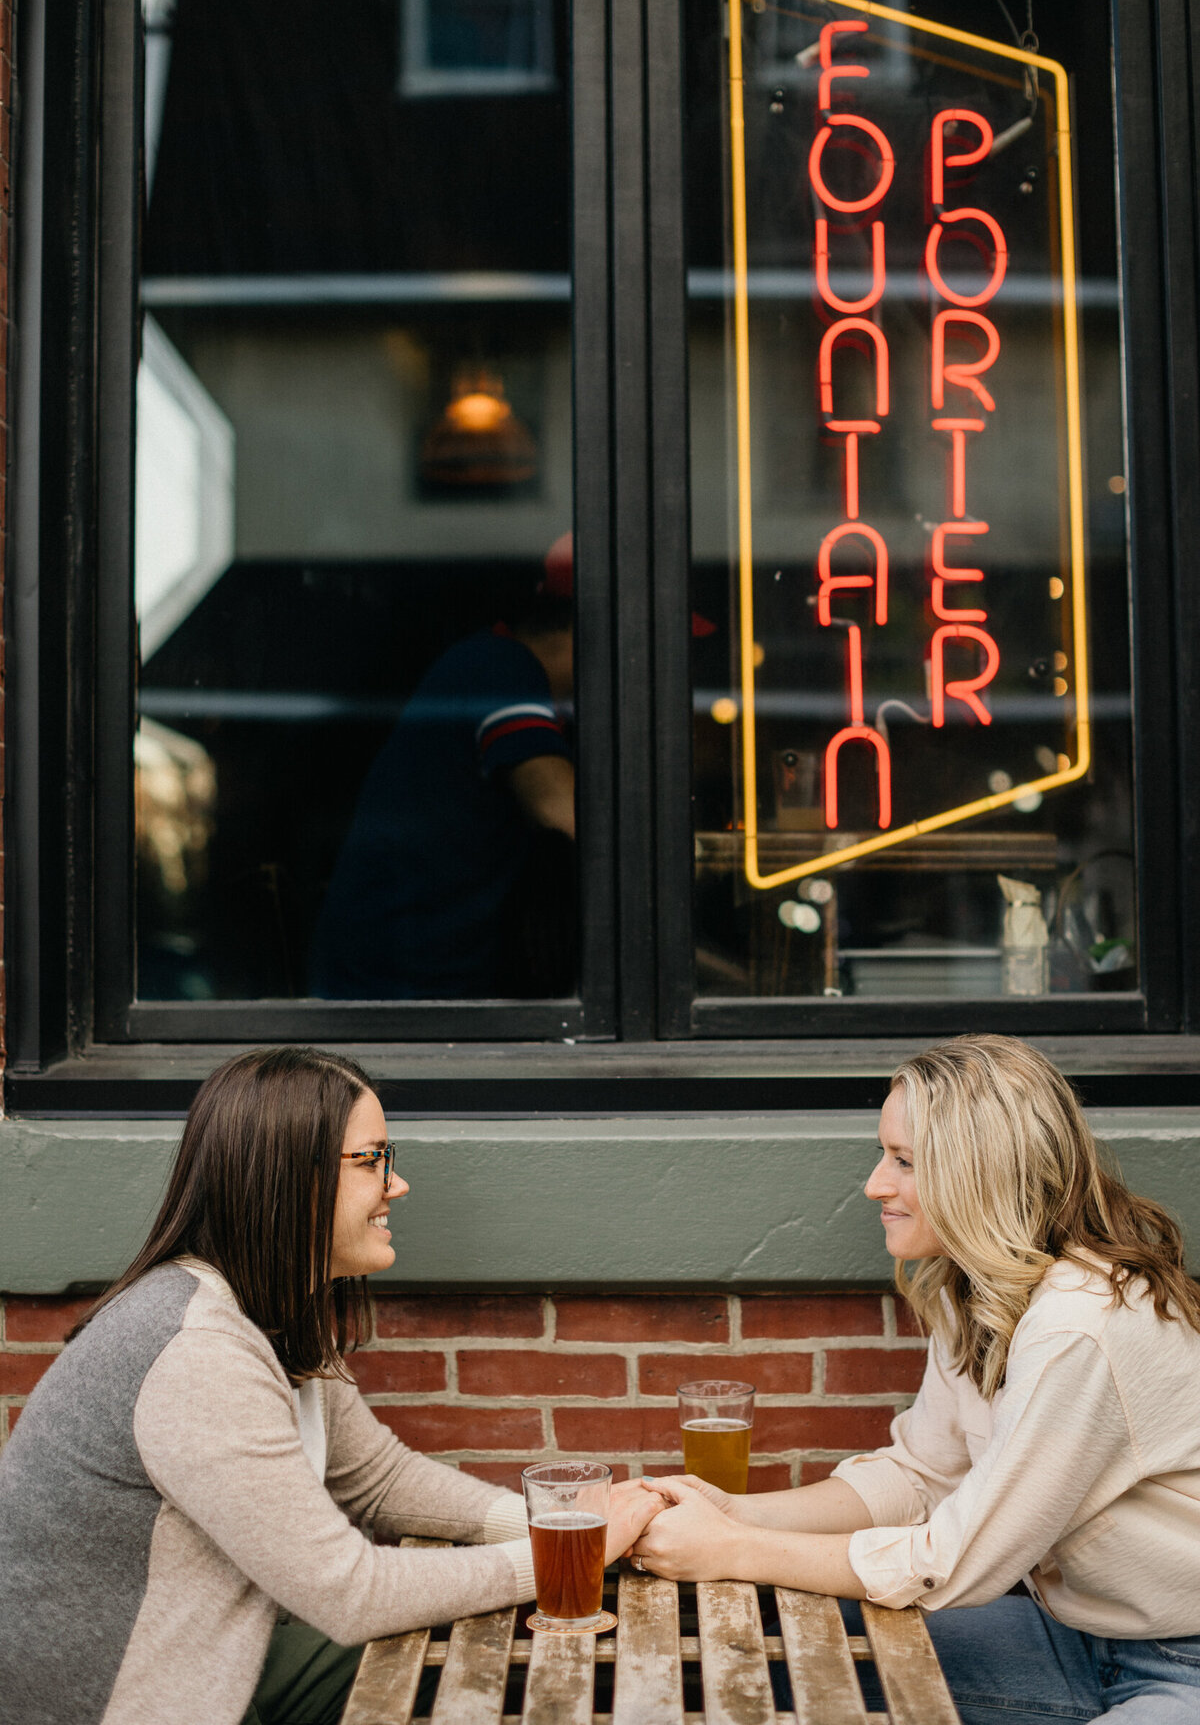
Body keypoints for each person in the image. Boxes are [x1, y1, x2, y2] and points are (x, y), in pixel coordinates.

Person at [0, 1047, 662, 1725]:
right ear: (291, 1179)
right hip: (138, 1697)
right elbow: (351, 1592)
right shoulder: (197, 1351)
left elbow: (376, 1479)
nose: (396, 1184)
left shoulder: (268, 1307)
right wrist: (562, 1561)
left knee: (478, 1665)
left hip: (235, 1642)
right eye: (371, 1159)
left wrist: (557, 1524)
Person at [629, 1035, 1200, 1724]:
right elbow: (920, 1476)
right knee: (775, 1656)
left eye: (903, 1161)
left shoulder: (1081, 1325)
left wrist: (736, 1548)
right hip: (1079, 1639)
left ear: (979, 1172)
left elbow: (958, 1559)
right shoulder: (980, 1290)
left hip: (1183, 1666)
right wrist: (735, 1512)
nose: (875, 1184)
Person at [309, 540, 576, 1000]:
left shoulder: (492, 665)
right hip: (395, 991)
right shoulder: (501, 667)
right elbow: (561, 809)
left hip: (413, 980)